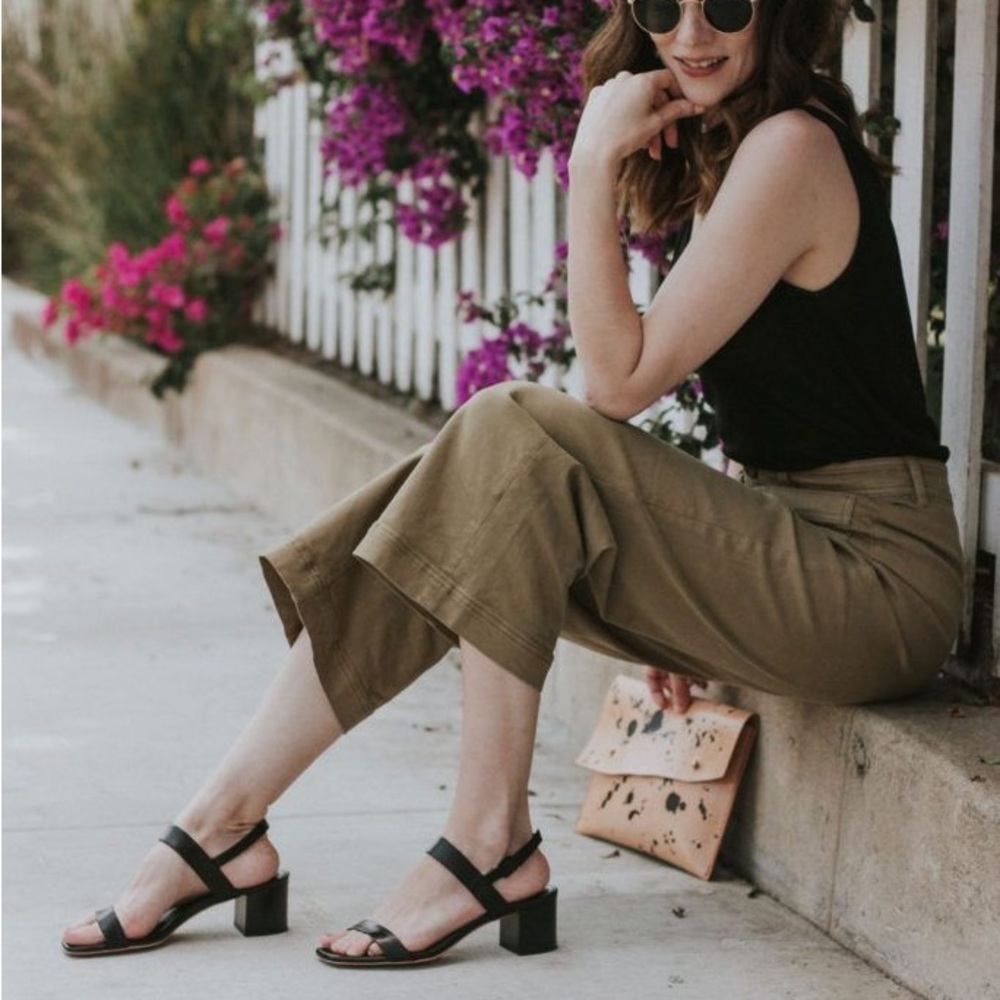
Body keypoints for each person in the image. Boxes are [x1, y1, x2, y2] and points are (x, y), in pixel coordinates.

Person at [62, 0, 963, 968]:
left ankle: (483, 837)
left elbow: (615, 384)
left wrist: (588, 166)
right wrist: (706, 577)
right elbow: (783, 400)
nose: (692, 35)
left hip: (876, 581)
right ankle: (224, 820)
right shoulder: (735, 144)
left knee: (510, 431)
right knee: (475, 478)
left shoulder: (790, 147)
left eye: (727, 7)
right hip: (796, 545)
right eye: (664, 8)